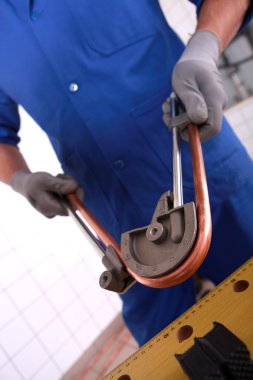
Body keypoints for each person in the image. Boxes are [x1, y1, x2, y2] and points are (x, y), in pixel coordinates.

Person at [0, 0, 253, 346]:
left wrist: (204, 46)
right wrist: (20, 180)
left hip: (211, 180)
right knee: (171, 357)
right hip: (122, 232)